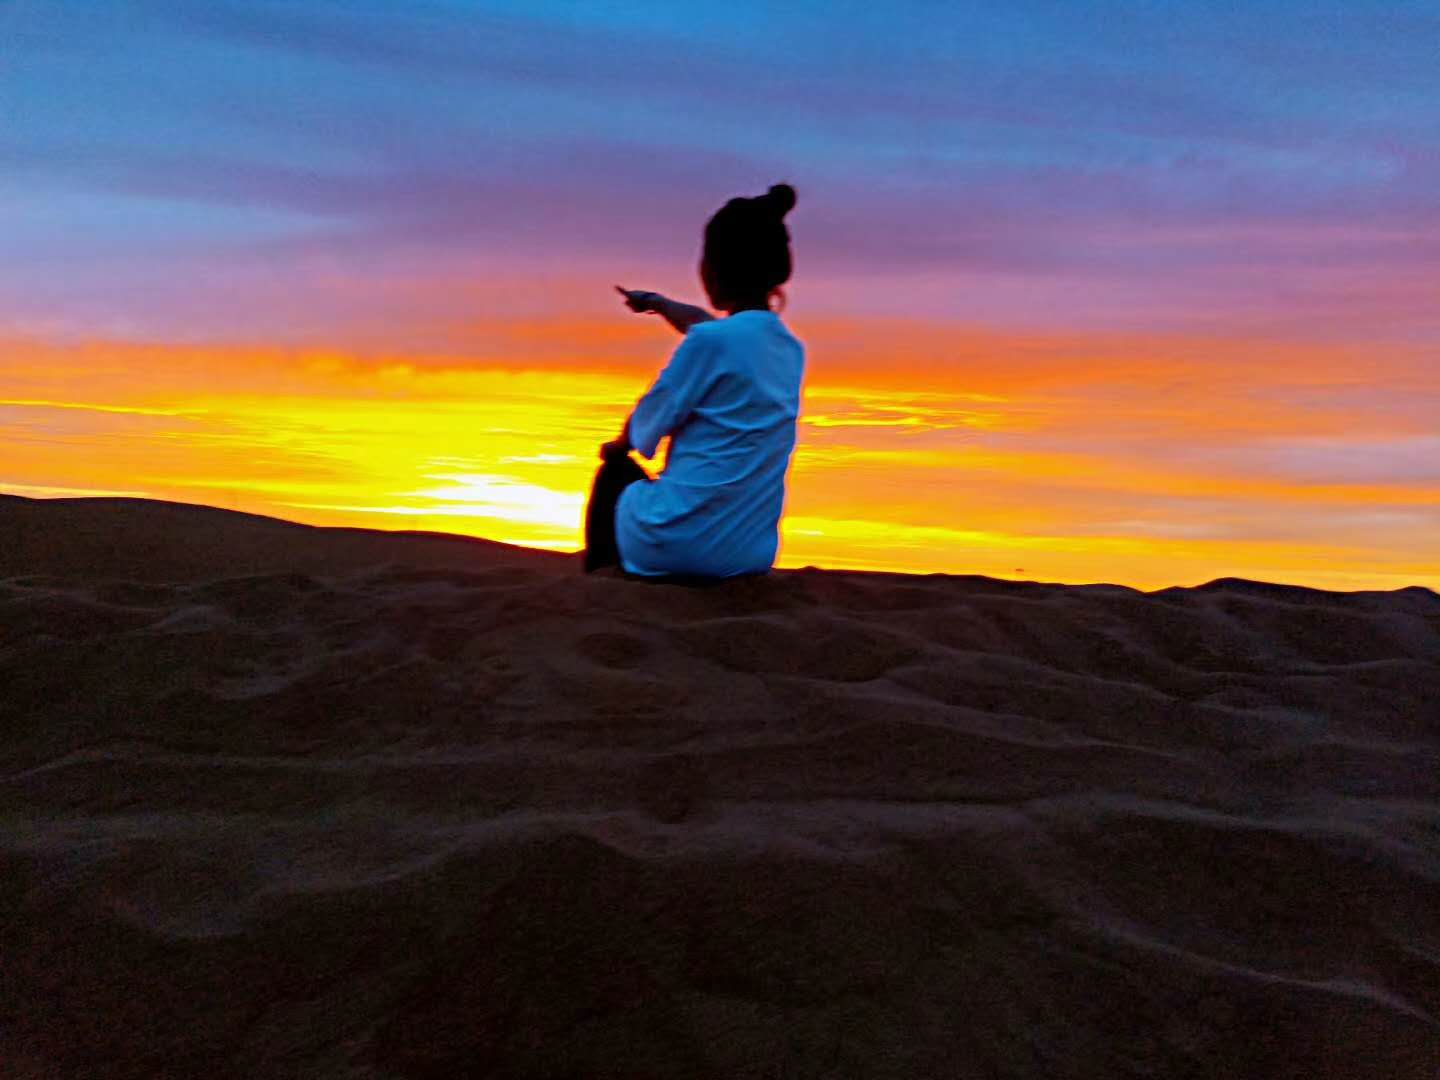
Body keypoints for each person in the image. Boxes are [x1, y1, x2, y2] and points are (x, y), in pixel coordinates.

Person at [583, 183, 805, 580]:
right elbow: (713, 330)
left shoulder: (712, 342)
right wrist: (657, 303)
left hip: (681, 547)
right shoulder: (789, 350)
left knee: (614, 473)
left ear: (717, 268)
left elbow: (643, 428)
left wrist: (617, 446)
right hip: (749, 556)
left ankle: (601, 589)